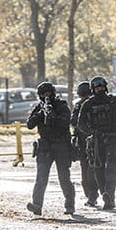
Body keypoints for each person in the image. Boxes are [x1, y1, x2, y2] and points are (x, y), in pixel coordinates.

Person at [77, 76, 116, 210]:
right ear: (93, 89)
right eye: (97, 88)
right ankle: (104, 194)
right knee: (98, 168)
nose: (100, 89)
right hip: (97, 140)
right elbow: (81, 124)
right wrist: (92, 132)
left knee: (111, 168)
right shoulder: (88, 104)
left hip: (113, 138)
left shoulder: (115, 101)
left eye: (101, 87)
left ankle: (110, 196)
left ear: (105, 87)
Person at [26, 81, 76, 216]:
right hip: (45, 147)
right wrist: (41, 114)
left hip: (61, 146)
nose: (46, 97)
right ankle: (37, 205)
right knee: (41, 178)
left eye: (48, 94)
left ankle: (70, 204)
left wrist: (54, 116)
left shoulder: (61, 106)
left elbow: (66, 122)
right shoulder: (39, 108)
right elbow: (29, 124)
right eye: (43, 95)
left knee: (64, 177)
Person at [71, 81, 98, 207]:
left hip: (88, 141)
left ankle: (92, 195)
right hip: (87, 141)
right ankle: (91, 195)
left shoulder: (81, 105)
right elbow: (73, 121)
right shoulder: (89, 104)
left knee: (88, 169)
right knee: (89, 169)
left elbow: (73, 121)